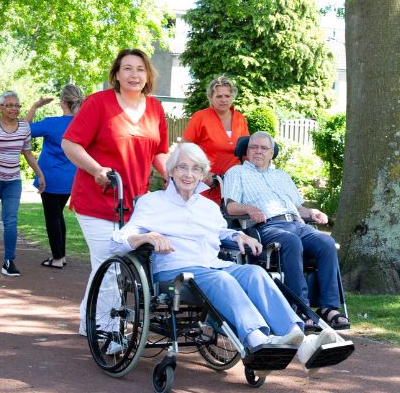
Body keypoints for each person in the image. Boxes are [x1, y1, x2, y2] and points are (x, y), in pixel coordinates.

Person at [110, 142, 340, 363]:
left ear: (203, 174)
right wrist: (146, 237)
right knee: (222, 279)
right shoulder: (152, 203)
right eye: (182, 167)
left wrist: (238, 236)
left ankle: (300, 340)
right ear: (170, 171)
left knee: (255, 273)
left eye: (196, 169)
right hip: (176, 272)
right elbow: (119, 240)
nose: (188, 174)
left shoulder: (208, 207)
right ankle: (257, 339)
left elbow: (220, 232)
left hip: (211, 265)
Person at [62, 48, 169, 335]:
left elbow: (160, 152)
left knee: (111, 267)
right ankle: (107, 331)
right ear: (117, 74)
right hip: (97, 198)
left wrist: (175, 175)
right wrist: (97, 170)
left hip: (134, 202)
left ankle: (89, 321)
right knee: (110, 264)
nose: (134, 75)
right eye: (127, 69)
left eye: (140, 69)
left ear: (148, 75)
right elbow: (70, 144)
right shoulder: (99, 103)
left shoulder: (156, 109)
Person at [223, 131, 350, 329]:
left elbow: (298, 208)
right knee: (291, 241)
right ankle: (301, 308)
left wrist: (312, 212)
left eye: (263, 148)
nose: (258, 151)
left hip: (298, 223)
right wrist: (249, 208)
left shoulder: (281, 175)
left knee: (327, 243)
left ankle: (328, 308)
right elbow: (230, 207)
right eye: (253, 147)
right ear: (246, 150)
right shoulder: (236, 173)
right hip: (266, 227)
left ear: (272, 152)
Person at [0, 91, 45, 277]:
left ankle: (9, 261)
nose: (14, 109)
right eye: (10, 105)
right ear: (0, 107)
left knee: (11, 220)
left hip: (12, 180)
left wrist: (40, 174)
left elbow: (27, 153)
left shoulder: (24, 128)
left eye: (17, 106)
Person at [24, 84, 85, 269]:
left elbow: (24, 130)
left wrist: (34, 107)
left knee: (52, 217)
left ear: (62, 102)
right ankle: (61, 256)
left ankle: (57, 259)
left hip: (49, 178)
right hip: (70, 179)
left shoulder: (52, 123)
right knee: (58, 216)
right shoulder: (82, 125)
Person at [182, 75, 249, 204]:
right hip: (206, 181)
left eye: (227, 96)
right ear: (211, 98)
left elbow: (246, 152)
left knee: (231, 220)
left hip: (233, 183)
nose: (223, 100)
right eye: (219, 96)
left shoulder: (240, 118)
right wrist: (201, 171)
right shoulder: (200, 117)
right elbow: (185, 149)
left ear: (232, 97)